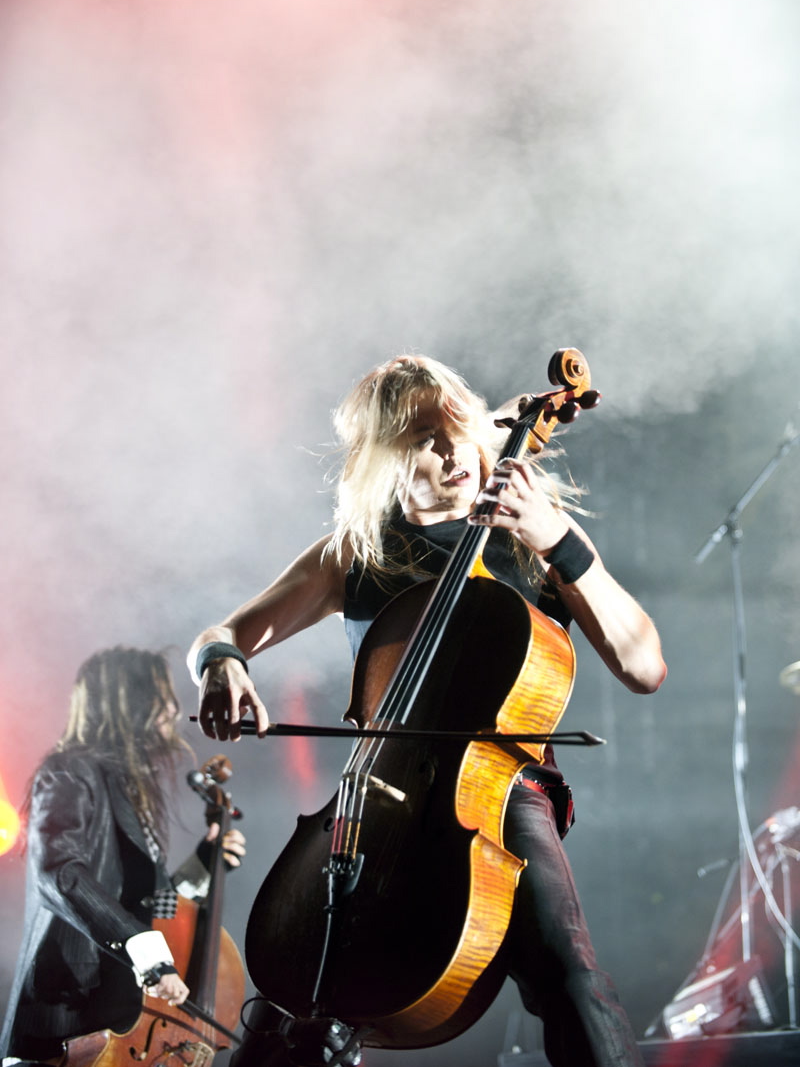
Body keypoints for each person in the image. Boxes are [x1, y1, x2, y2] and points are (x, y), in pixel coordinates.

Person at [187, 354, 667, 1067]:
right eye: (424, 440)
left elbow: (643, 665)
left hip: (505, 794)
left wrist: (556, 543)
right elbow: (224, 632)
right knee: (292, 998)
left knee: (568, 977)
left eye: (460, 430)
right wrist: (221, 664)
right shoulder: (354, 553)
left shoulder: (532, 536)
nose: (455, 454)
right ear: (382, 461)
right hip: (372, 800)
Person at [1, 646, 246, 1065]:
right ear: (127, 700)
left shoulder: (126, 788)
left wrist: (206, 861)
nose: (172, 708)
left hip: (114, 1016)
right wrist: (143, 948)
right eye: (161, 695)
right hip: (67, 1016)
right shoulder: (68, 770)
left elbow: (154, 905)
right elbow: (60, 872)